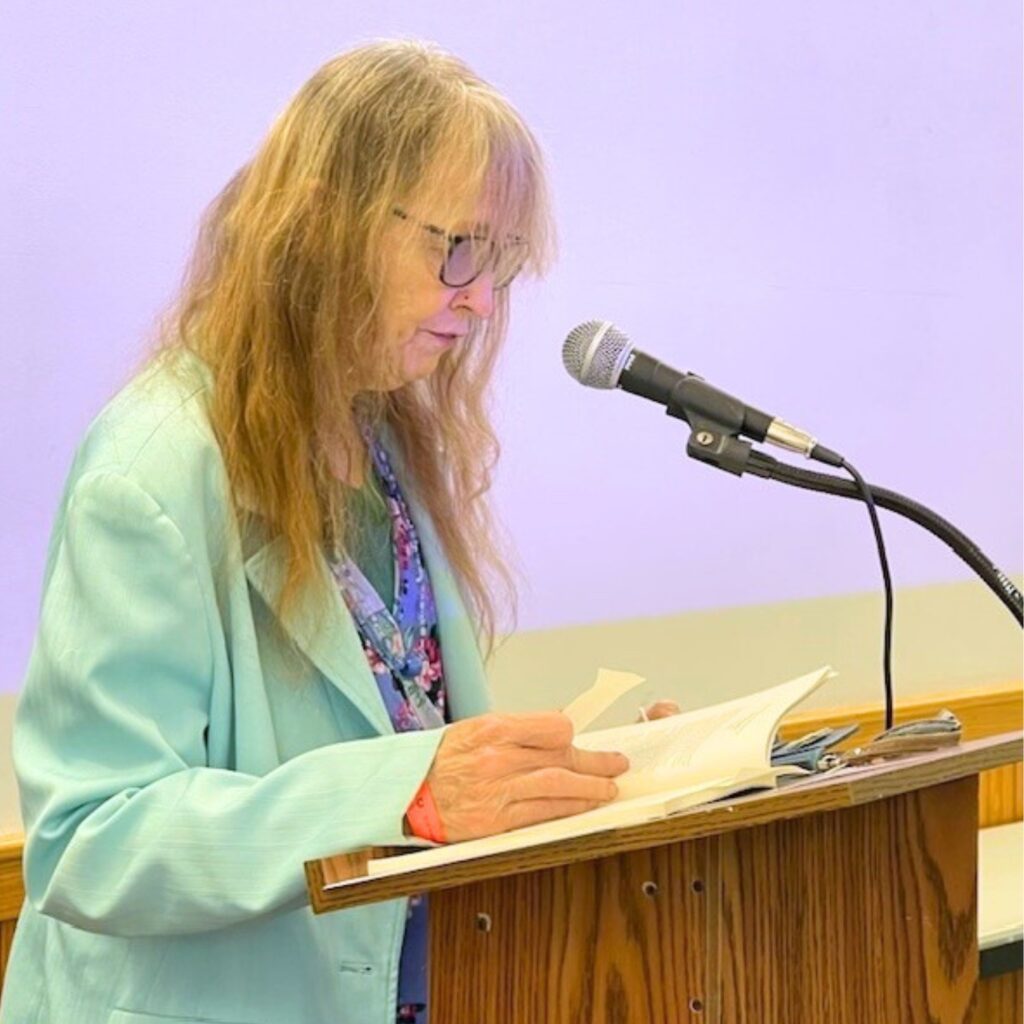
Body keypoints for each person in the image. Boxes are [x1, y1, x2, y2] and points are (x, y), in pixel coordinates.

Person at [0, 39, 676, 1024]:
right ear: (326, 219)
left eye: (500, 263)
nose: (482, 300)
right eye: (457, 250)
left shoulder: (382, 434)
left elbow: (398, 736)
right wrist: (403, 794)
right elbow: (91, 839)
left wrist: (597, 779)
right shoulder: (154, 468)